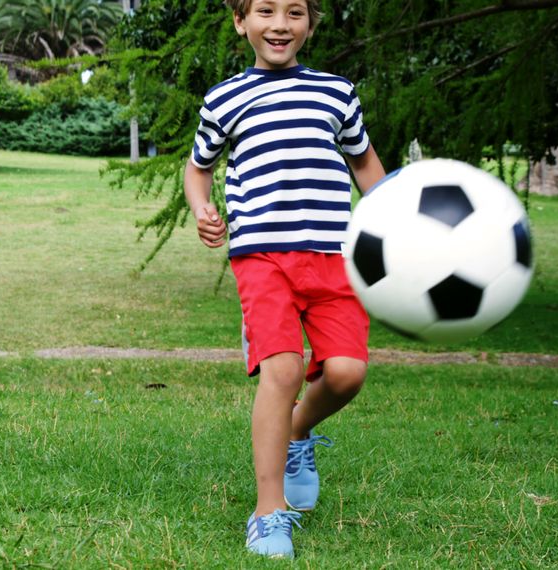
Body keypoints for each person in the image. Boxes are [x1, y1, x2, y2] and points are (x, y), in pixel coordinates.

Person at [183, 0, 388, 559]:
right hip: (262, 255)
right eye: (266, 11)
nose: (280, 24)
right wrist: (202, 208)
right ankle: (268, 511)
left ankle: (297, 433)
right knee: (284, 368)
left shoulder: (336, 92)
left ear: (311, 24)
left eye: (295, 12)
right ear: (240, 21)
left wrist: (395, 213)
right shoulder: (224, 98)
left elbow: (364, 163)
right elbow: (198, 166)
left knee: (347, 373)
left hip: (332, 256)